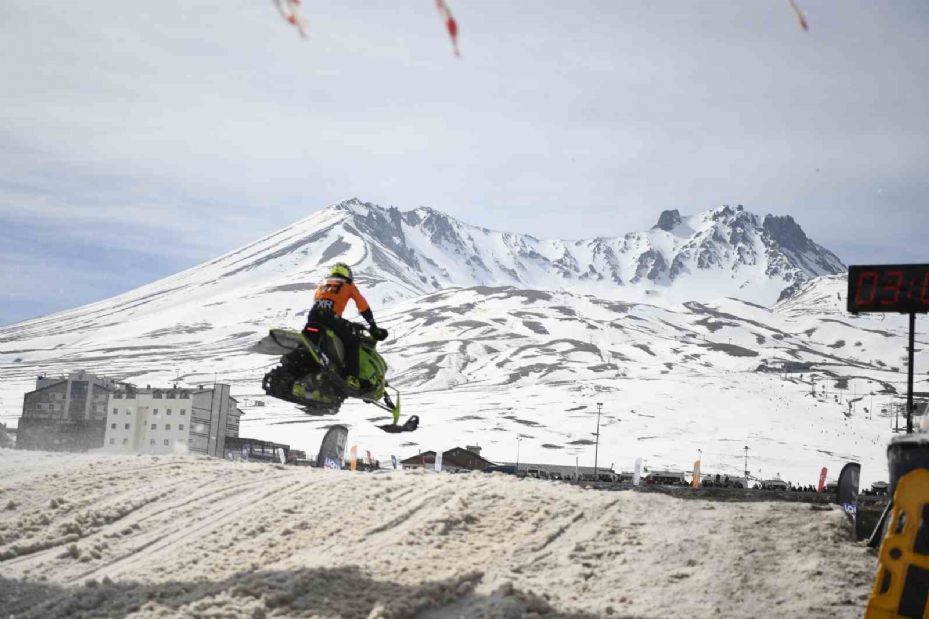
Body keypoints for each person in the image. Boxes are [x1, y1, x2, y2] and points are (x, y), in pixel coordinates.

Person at [307, 263, 384, 391]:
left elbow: (320, 302)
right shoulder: (348, 284)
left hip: (313, 318)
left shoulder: (322, 284)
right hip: (330, 319)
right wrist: (372, 325)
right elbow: (362, 305)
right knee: (353, 341)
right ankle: (352, 377)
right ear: (347, 274)